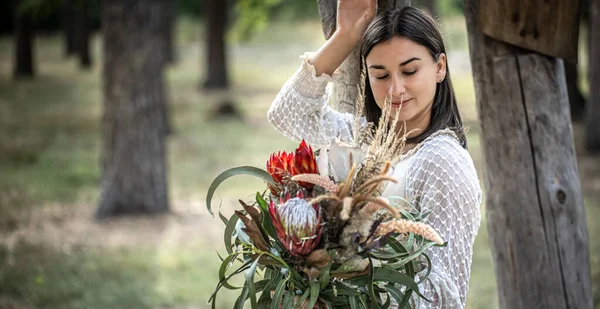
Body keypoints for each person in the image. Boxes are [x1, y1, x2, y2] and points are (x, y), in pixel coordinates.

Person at [267, 1, 482, 308]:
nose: (396, 89)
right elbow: (288, 113)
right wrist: (344, 36)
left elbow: (442, 297)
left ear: (440, 67)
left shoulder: (442, 162)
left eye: (409, 71)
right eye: (380, 75)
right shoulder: (362, 138)